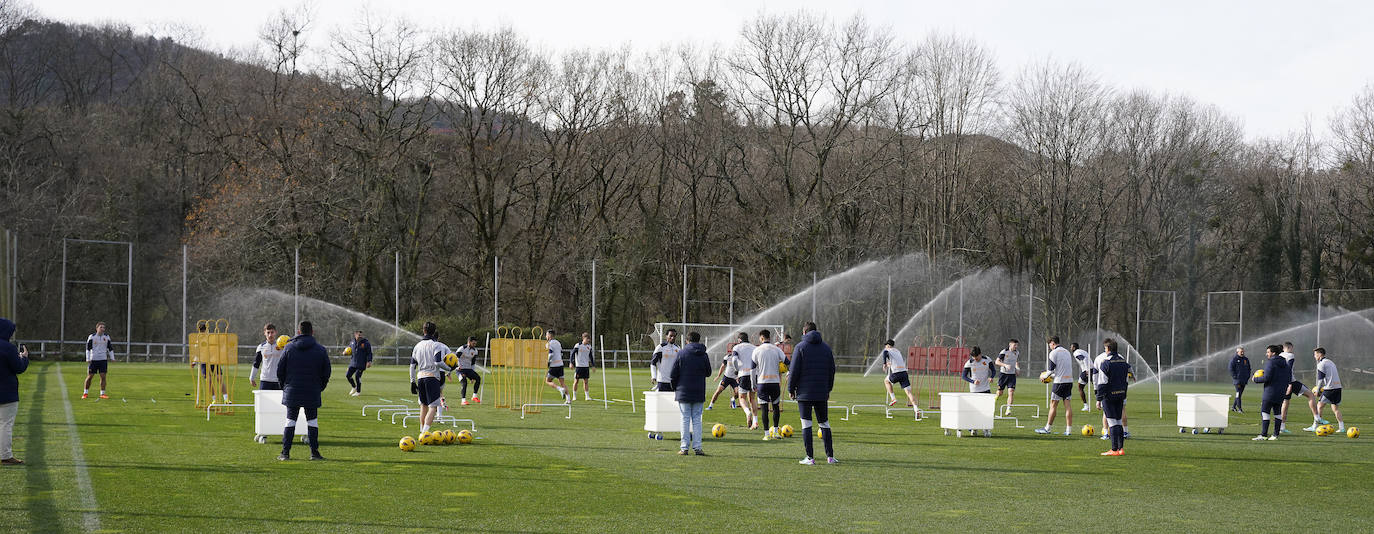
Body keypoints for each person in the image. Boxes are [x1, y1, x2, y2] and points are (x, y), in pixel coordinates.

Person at [277, 321, 331, 461]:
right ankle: (314, 453)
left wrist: (285, 386)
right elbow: (326, 372)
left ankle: (285, 453)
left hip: (292, 390)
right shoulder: (320, 349)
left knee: (290, 421)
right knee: (312, 421)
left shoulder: (288, 348)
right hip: (312, 390)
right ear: (312, 332)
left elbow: (280, 371)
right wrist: (320, 387)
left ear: (298, 332)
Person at [789, 322, 837, 465]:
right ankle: (830, 457)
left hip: (804, 393)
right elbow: (832, 371)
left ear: (804, 332)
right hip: (822, 392)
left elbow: (794, 371)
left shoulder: (800, 347)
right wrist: (828, 389)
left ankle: (810, 458)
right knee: (824, 423)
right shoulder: (826, 348)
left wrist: (791, 390)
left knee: (806, 424)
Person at [669, 331, 712, 456]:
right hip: (698, 390)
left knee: (685, 419)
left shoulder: (681, 353)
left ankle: (684, 448)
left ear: (687, 341)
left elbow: (673, 374)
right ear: (699, 341)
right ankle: (698, 447)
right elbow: (708, 372)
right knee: (697, 420)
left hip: (683, 391)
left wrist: (675, 388)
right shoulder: (704, 354)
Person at [409, 322, 452, 436]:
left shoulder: (417, 346)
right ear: (434, 332)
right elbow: (438, 362)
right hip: (432, 377)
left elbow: (412, 365)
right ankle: (425, 433)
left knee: (423, 406)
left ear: (424, 331)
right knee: (433, 406)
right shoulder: (436, 345)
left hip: (420, 377)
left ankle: (421, 430)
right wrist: (450, 368)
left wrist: (412, 381)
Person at [1, 318, 30, 465]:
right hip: (7, 392)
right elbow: (18, 367)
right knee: (5, 424)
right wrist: (24, 358)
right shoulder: (8, 347)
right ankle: (5, 456)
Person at [1096, 339, 1131, 456]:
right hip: (1121, 395)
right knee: (1118, 421)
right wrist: (1123, 393)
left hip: (1109, 397)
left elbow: (1102, 383)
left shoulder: (1105, 363)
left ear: (1107, 349)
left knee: (1112, 423)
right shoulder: (1124, 362)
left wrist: (1099, 399)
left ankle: (1114, 449)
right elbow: (1126, 381)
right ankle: (1121, 449)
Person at [1278, 341, 1323, 433]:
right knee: (1310, 395)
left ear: (1283, 348)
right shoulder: (1290, 355)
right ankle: (1317, 417)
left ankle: (1282, 427)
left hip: (1282, 383)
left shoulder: (1279, 356)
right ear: (1290, 348)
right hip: (1291, 382)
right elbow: (1289, 369)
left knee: (1285, 404)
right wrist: (1289, 384)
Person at [1252, 344, 1292, 441]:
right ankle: (1275, 435)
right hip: (1281, 392)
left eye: (1268, 352)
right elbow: (1289, 378)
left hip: (1270, 392)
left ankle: (1264, 435)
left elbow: (1267, 377)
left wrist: (1255, 379)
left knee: (1265, 412)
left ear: (1273, 353)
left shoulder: (1271, 362)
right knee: (1277, 413)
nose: (1267, 354)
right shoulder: (1285, 363)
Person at [753, 329, 786, 440]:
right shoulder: (776, 349)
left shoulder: (757, 350)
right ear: (769, 337)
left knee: (764, 409)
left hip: (762, 383)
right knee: (776, 407)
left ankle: (767, 435)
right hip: (775, 382)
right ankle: (776, 432)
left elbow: (752, 369)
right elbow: (787, 362)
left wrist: (753, 384)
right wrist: (789, 372)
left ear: (761, 338)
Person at [1038, 336, 1075, 435]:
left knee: (1053, 405)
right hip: (1069, 381)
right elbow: (1061, 370)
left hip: (1059, 383)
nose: (1049, 346)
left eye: (1049, 344)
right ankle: (1068, 430)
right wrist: (1051, 376)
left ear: (1052, 343)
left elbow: (1050, 370)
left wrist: (1044, 376)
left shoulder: (1053, 353)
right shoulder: (1067, 352)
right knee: (1068, 406)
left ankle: (1047, 428)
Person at [1310, 348, 1345, 433]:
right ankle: (1342, 428)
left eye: (1315, 354)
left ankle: (1315, 426)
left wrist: (1317, 390)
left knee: (1319, 406)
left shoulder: (1321, 364)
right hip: (1338, 387)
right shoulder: (1330, 362)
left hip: (1330, 388)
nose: (1314, 356)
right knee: (1335, 409)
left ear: (1320, 354)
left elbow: (1320, 380)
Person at [731, 332, 758, 429]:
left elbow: (734, 359)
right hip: (754, 374)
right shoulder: (754, 347)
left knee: (742, 397)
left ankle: (747, 412)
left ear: (739, 340)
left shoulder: (737, 347)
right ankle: (755, 422)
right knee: (752, 398)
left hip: (743, 374)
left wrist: (737, 370)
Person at [82, 322, 116, 399]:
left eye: (104, 328)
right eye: (101, 327)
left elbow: (110, 348)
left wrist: (112, 358)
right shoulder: (92, 337)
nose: (103, 329)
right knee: (90, 376)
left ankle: (102, 394)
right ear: (97, 328)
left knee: (103, 376)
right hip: (93, 360)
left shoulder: (106, 337)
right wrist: (88, 358)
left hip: (103, 360)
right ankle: (85, 393)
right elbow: (88, 349)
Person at [880, 340, 917, 407]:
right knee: (909, 392)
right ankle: (916, 408)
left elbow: (884, 353)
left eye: (886, 345)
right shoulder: (897, 351)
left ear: (888, 345)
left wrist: (884, 364)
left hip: (896, 373)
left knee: (886, 381)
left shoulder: (887, 350)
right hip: (904, 373)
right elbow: (895, 360)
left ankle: (893, 398)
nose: (885, 347)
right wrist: (889, 364)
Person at [706, 342, 740, 411]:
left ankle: (732, 400)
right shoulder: (727, 357)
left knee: (738, 393)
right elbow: (722, 367)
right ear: (732, 350)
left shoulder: (741, 358)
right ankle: (710, 406)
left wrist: (739, 377)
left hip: (735, 378)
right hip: (726, 377)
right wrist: (718, 376)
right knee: (718, 391)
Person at [250, 323, 284, 390]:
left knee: (278, 400)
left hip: (278, 381)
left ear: (275, 332)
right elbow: (256, 364)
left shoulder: (282, 346)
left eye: (272, 332)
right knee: (264, 400)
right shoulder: (261, 347)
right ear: (264, 333)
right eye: (268, 332)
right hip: (265, 380)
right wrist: (252, 377)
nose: (270, 335)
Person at [344, 330, 372, 397]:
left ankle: (358, 392)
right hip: (353, 363)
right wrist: (344, 352)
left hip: (361, 364)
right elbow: (348, 349)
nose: (360, 336)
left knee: (357, 376)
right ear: (355, 335)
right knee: (348, 375)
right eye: (359, 335)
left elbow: (369, 353)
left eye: (361, 335)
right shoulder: (352, 342)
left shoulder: (366, 343)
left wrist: (369, 361)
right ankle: (354, 387)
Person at [995, 339, 1019, 413]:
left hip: (1012, 375)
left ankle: (1008, 409)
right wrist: (1005, 365)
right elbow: (997, 362)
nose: (1016, 346)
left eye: (1017, 345)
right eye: (1014, 345)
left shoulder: (1017, 352)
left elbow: (1016, 361)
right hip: (1003, 374)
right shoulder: (1004, 352)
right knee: (1000, 393)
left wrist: (1017, 368)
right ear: (1010, 344)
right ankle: (994, 400)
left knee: (1011, 391)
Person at [544, 329, 569, 402]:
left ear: (549, 335)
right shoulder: (558, 342)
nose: (546, 336)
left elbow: (551, 354)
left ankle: (560, 389)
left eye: (546, 335)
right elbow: (561, 353)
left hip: (554, 365)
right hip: (560, 364)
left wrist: (547, 362)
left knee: (548, 381)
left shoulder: (548, 344)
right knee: (562, 382)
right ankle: (569, 399)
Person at [457, 336, 481, 405]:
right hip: (460, 370)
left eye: (475, 344)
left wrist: (472, 373)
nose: (474, 345)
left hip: (469, 369)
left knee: (478, 378)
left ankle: (474, 396)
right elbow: (456, 358)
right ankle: (463, 400)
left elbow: (473, 363)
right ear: (469, 342)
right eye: (473, 343)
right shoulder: (462, 349)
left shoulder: (475, 351)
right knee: (464, 382)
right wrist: (458, 366)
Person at [570, 332, 594, 401]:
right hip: (579, 366)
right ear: (583, 338)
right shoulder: (578, 345)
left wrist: (593, 365)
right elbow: (572, 354)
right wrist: (571, 363)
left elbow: (591, 356)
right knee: (576, 381)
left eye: (589, 339)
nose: (588, 340)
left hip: (586, 367)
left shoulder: (589, 346)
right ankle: (574, 396)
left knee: (586, 381)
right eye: (587, 339)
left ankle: (587, 396)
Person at [1228, 347, 1251, 413]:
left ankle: (1233, 407)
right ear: (1237, 352)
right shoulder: (1234, 359)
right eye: (1241, 352)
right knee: (1238, 393)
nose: (1242, 353)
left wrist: (1248, 376)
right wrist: (1235, 376)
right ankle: (1240, 409)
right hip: (1237, 381)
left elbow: (1249, 368)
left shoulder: (1246, 359)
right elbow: (1230, 368)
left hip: (1244, 380)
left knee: (1239, 394)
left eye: (1243, 351)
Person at [1072, 342, 1093, 411]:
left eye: (1071, 347)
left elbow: (1084, 359)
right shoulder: (1082, 351)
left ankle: (1086, 406)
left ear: (1074, 347)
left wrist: (1087, 370)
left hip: (1087, 371)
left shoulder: (1076, 353)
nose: (1070, 348)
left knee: (1080, 387)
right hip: (1093, 369)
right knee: (1097, 387)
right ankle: (1102, 402)